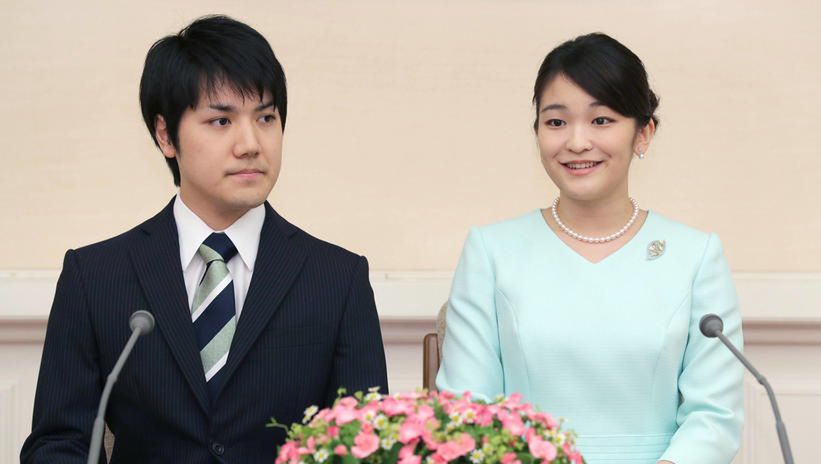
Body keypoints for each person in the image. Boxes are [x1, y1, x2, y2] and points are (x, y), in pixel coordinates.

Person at [21, 15, 388, 463]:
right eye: (221, 121)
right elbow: (58, 443)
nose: (251, 143)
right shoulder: (96, 277)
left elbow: (367, 447)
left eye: (266, 117)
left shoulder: (338, 280)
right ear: (165, 135)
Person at [436, 33, 743, 464]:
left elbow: (714, 416)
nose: (577, 142)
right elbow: (467, 412)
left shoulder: (696, 255)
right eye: (556, 122)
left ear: (644, 134)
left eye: (601, 120)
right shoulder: (491, 251)